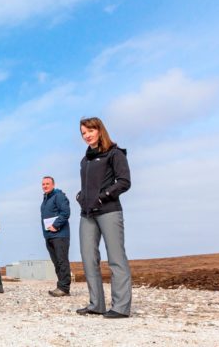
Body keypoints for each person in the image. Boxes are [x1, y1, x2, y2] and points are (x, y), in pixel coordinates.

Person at [76, 117, 132, 319]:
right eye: (83, 133)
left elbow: (124, 181)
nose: (86, 135)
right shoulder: (85, 160)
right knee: (88, 258)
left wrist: (103, 197)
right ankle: (96, 304)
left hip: (109, 211)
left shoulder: (114, 153)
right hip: (87, 214)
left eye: (90, 131)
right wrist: (80, 197)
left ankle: (121, 307)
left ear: (99, 130)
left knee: (116, 258)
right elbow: (86, 187)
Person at [40, 176, 71, 297]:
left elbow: (66, 212)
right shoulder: (46, 198)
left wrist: (56, 225)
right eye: (43, 184)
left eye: (47, 183)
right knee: (56, 262)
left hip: (60, 235)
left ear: (53, 184)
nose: (45, 186)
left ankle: (64, 288)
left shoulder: (59, 196)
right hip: (49, 236)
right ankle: (61, 286)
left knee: (62, 261)